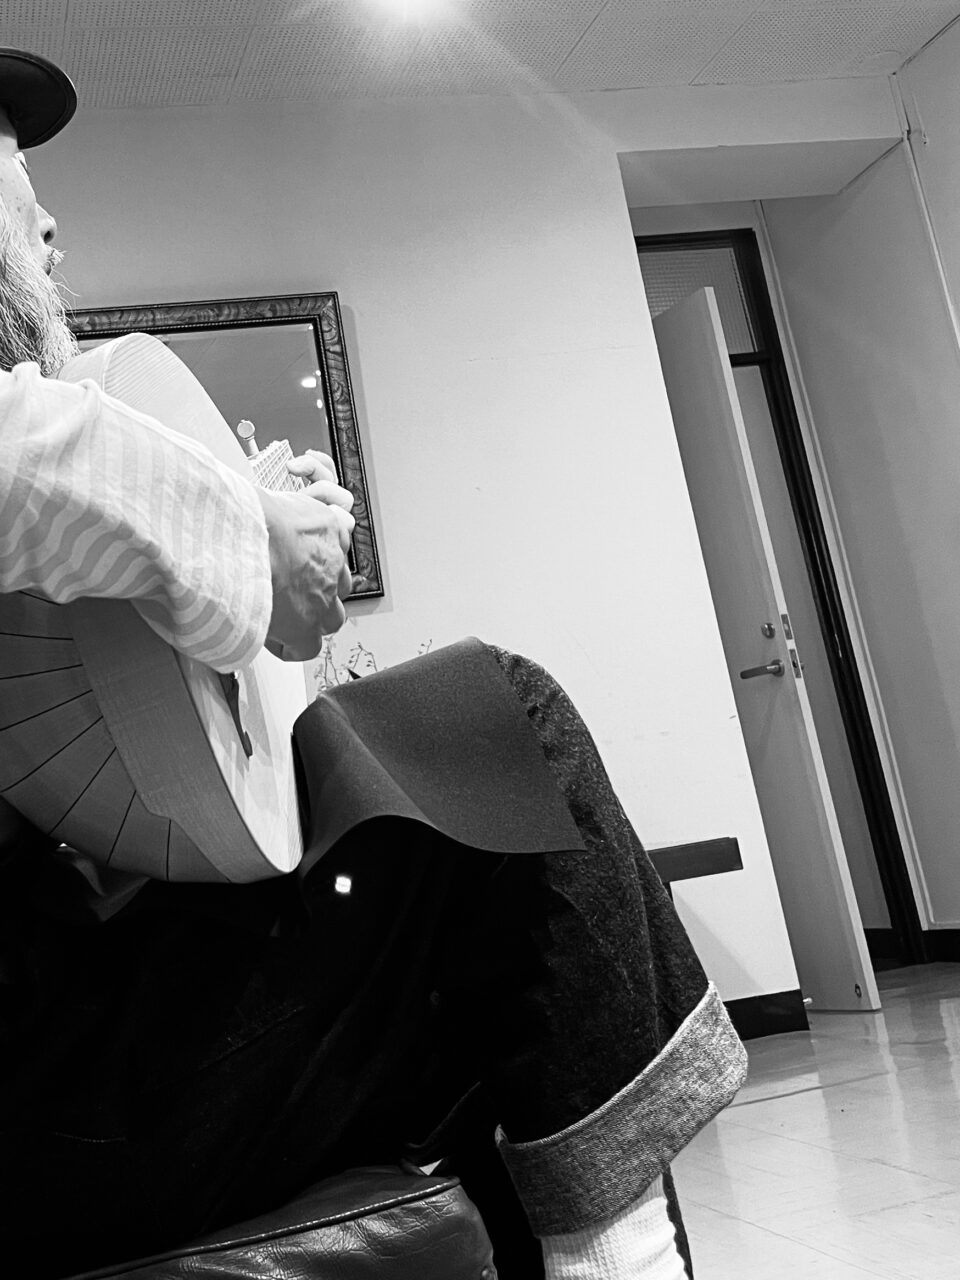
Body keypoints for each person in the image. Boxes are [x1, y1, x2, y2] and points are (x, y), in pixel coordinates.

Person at [0, 48, 747, 1280]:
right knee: (497, 722)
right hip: (48, 1105)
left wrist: (252, 546)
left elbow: (163, 786)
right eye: (19, 190)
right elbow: (30, 453)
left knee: (469, 821)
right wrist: (252, 532)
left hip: (75, 1054)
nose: (50, 228)